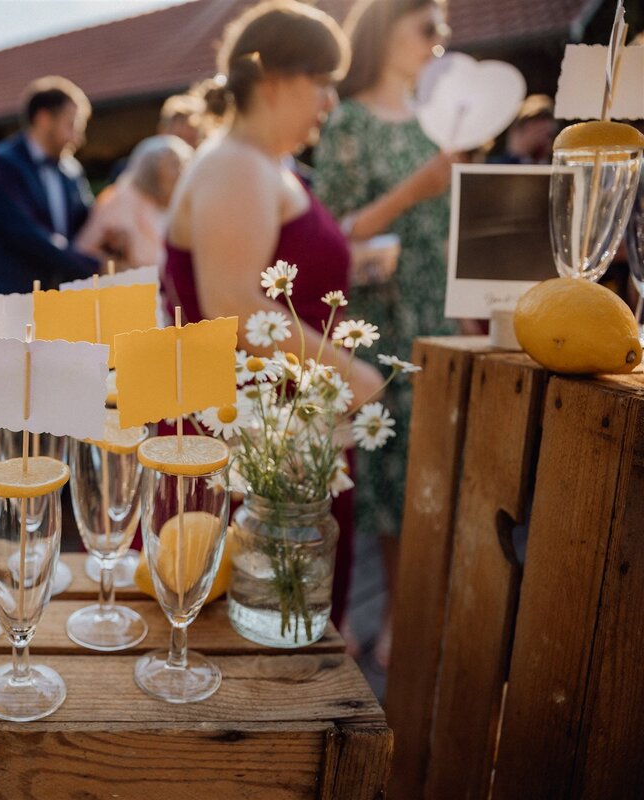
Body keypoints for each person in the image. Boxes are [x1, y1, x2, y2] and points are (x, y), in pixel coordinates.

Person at [162, 0, 385, 630]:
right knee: (259, 628)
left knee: (284, 621)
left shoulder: (261, 164)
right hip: (252, 447)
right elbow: (233, 306)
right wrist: (354, 376)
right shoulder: (234, 164)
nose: (329, 103)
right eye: (322, 83)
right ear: (273, 79)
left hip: (281, 434)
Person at [314, 0, 455, 667]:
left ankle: (426, 610)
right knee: (394, 479)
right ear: (386, 30)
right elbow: (333, 236)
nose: (438, 39)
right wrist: (414, 190)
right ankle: (396, 611)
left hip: (442, 312)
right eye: (426, 25)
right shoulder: (349, 122)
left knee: (438, 471)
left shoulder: (441, 120)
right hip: (383, 319)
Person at [0, 77, 99, 294]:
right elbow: (24, 233)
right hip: (5, 297)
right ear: (44, 119)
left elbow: (85, 222)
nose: (78, 139)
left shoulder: (72, 170)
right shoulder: (1, 163)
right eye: (72, 125)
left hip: (55, 300)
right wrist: (92, 265)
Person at [76, 135, 192, 269]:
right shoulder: (121, 200)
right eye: (175, 164)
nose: (182, 172)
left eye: (184, 164)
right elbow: (85, 251)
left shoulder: (174, 206)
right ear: (153, 168)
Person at [488, 95, 557, 165]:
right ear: (515, 131)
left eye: (549, 135)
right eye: (537, 132)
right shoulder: (494, 166)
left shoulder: (555, 166)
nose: (543, 139)